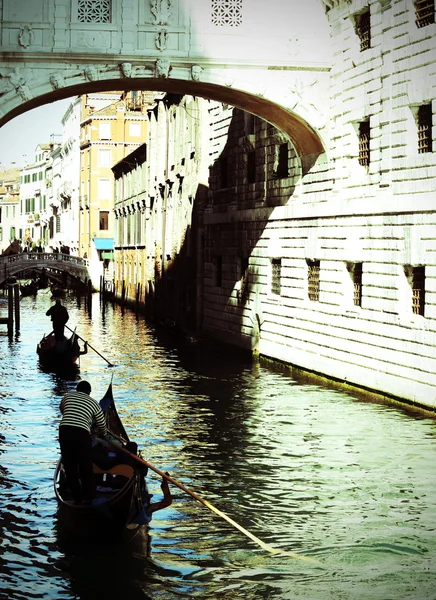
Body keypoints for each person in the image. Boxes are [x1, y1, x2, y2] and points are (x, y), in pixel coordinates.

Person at [59, 380, 107, 505]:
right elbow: (102, 425)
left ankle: (77, 498)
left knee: (70, 466)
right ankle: (89, 498)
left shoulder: (67, 396)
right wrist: (103, 434)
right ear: (89, 392)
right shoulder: (94, 403)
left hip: (64, 430)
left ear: (77, 390)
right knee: (85, 466)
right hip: (81, 433)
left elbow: (62, 409)